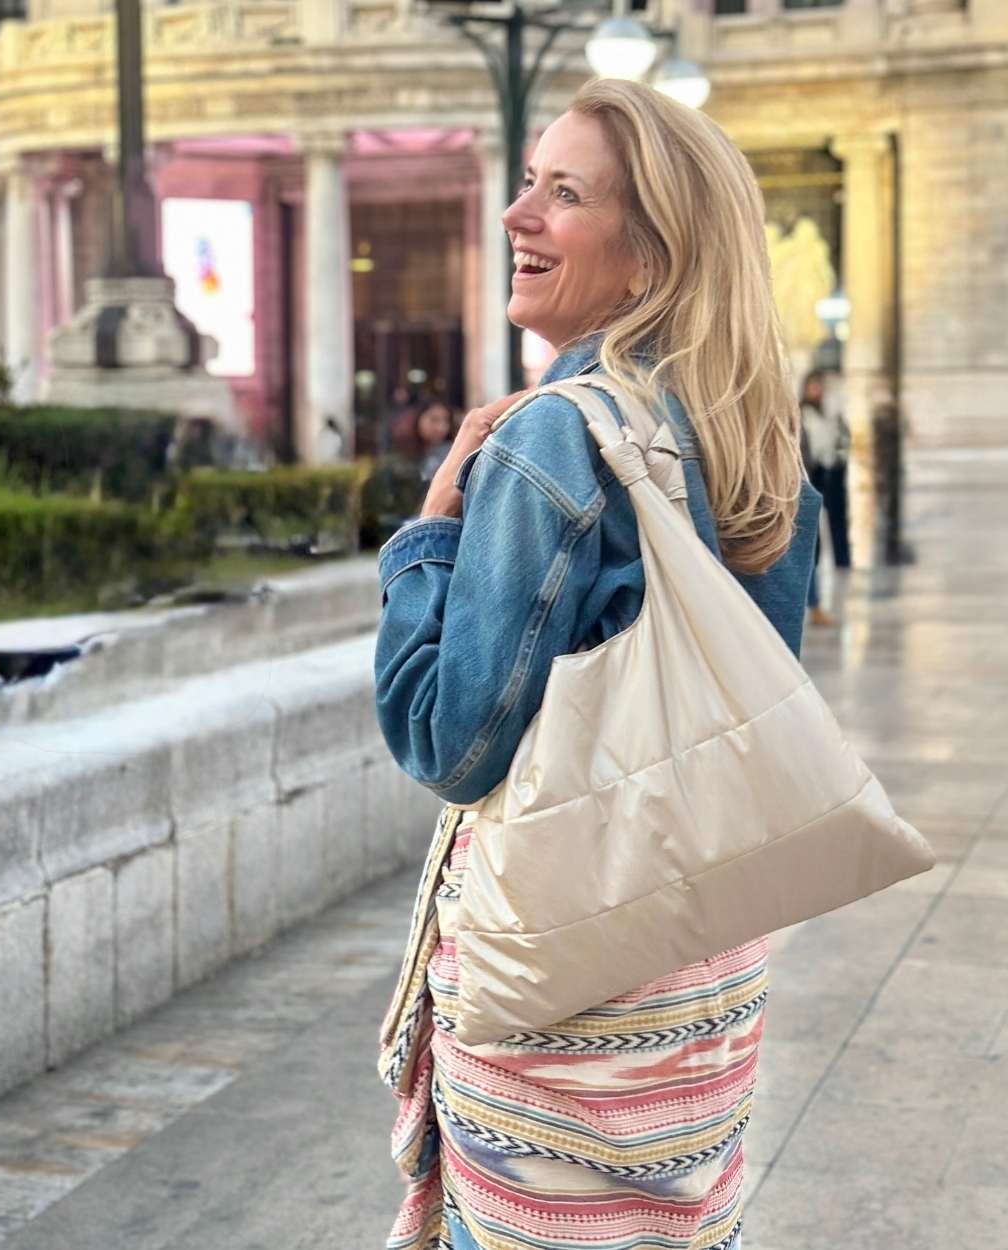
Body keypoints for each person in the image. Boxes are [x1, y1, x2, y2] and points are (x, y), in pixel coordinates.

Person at [374, 79, 819, 1250]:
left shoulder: (554, 435)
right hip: (699, 994)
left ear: (649, 257)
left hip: (561, 1006)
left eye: (561, 194)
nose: (517, 214)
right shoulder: (755, 437)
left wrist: (426, 535)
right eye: (527, 181)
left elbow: (448, 739)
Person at [799, 369, 848, 627]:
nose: (817, 391)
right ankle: (814, 605)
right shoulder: (800, 414)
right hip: (806, 479)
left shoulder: (828, 413)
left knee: (817, 539)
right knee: (809, 544)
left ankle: (816, 604)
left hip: (823, 475)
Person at [412, 398, 457, 485]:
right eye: (434, 420)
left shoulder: (451, 453)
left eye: (446, 420)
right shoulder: (406, 453)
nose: (441, 427)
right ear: (418, 418)